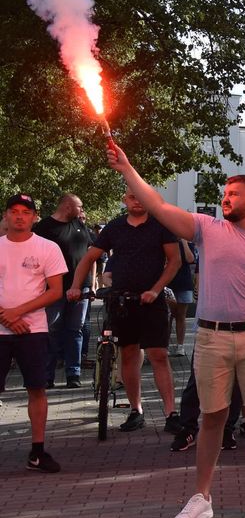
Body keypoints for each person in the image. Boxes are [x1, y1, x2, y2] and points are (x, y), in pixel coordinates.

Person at [104, 141, 245, 518]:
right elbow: (159, 207)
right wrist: (127, 168)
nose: (226, 199)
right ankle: (201, 498)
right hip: (210, 337)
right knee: (212, 417)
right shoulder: (207, 229)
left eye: (234, 194)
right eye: (224, 194)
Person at [69, 192, 181, 433]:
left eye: (141, 196)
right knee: (128, 354)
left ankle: (171, 412)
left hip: (152, 300)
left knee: (158, 354)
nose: (137, 201)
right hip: (122, 300)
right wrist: (76, 286)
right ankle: (135, 410)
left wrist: (155, 290)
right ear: (125, 200)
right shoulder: (115, 226)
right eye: (132, 197)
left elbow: (174, 261)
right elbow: (90, 257)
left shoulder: (160, 225)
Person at [0, 193, 66, 473]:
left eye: (25, 212)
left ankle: (37, 452)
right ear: (5, 215)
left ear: (34, 217)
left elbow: (56, 291)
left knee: (36, 388)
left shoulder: (48, 247)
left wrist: (18, 312)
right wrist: (6, 316)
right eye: (13, 211)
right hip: (1, 329)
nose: (19, 216)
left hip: (33, 329)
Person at [33, 193, 92, 388]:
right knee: (52, 329)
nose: (81, 210)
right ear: (67, 206)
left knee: (76, 330)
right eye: (79, 206)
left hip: (80, 287)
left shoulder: (79, 225)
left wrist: (90, 283)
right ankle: (47, 375)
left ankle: (73, 374)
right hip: (54, 289)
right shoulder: (44, 228)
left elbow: (89, 252)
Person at [167, 239, 196, 356]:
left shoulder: (187, 243)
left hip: (184, 282)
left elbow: (190, 259)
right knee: (167, 315)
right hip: (168, 282)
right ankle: (165, 345)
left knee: (181, 315)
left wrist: (183, 242)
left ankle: (180, 345)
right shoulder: (166, 241)